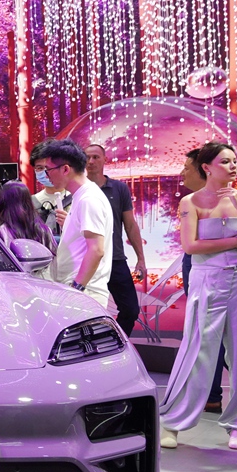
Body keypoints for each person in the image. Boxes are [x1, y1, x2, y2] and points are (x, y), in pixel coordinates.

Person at [160, 142, 237, 451]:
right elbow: (191, 246)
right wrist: (234, 241)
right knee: (196, 349)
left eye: (234, 161)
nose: (233, 166)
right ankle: (174, 422)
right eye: (225, 161)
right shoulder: (191, 201)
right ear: (207, 167)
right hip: (206, 279)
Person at [31, 139, 113, 303]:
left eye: (48, 170)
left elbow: (96, 250)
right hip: (76, 288)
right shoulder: (81, 196)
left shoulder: (88, 199)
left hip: (85, 291)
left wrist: (77, 287)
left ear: (65, 169)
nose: (46, 175)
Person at [180, 150, 228, 413]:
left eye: (187, 167)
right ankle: (210, 394)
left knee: (214, 331)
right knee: (208, 330)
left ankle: (211, 394)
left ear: (204, 169)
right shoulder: (191, 202)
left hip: (219, 270)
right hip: (202, 267)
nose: (183, 173)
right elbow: (190, 246)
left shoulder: (234, 201)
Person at [85, 144, 148, 336]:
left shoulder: (119, 188)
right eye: (87, 157)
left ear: (105, 159)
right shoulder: (78, 189)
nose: (91, 161)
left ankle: (115, 341)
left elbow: (130, 225)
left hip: (115, 259)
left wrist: (141, 258)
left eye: (96, 157)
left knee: (130, 309)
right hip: (86, 259)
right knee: (86, 311)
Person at [0, 180, 54, 279]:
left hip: (11, 283)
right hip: (43, 283)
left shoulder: (0, 234)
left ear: (1, 202)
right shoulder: (45, 231)